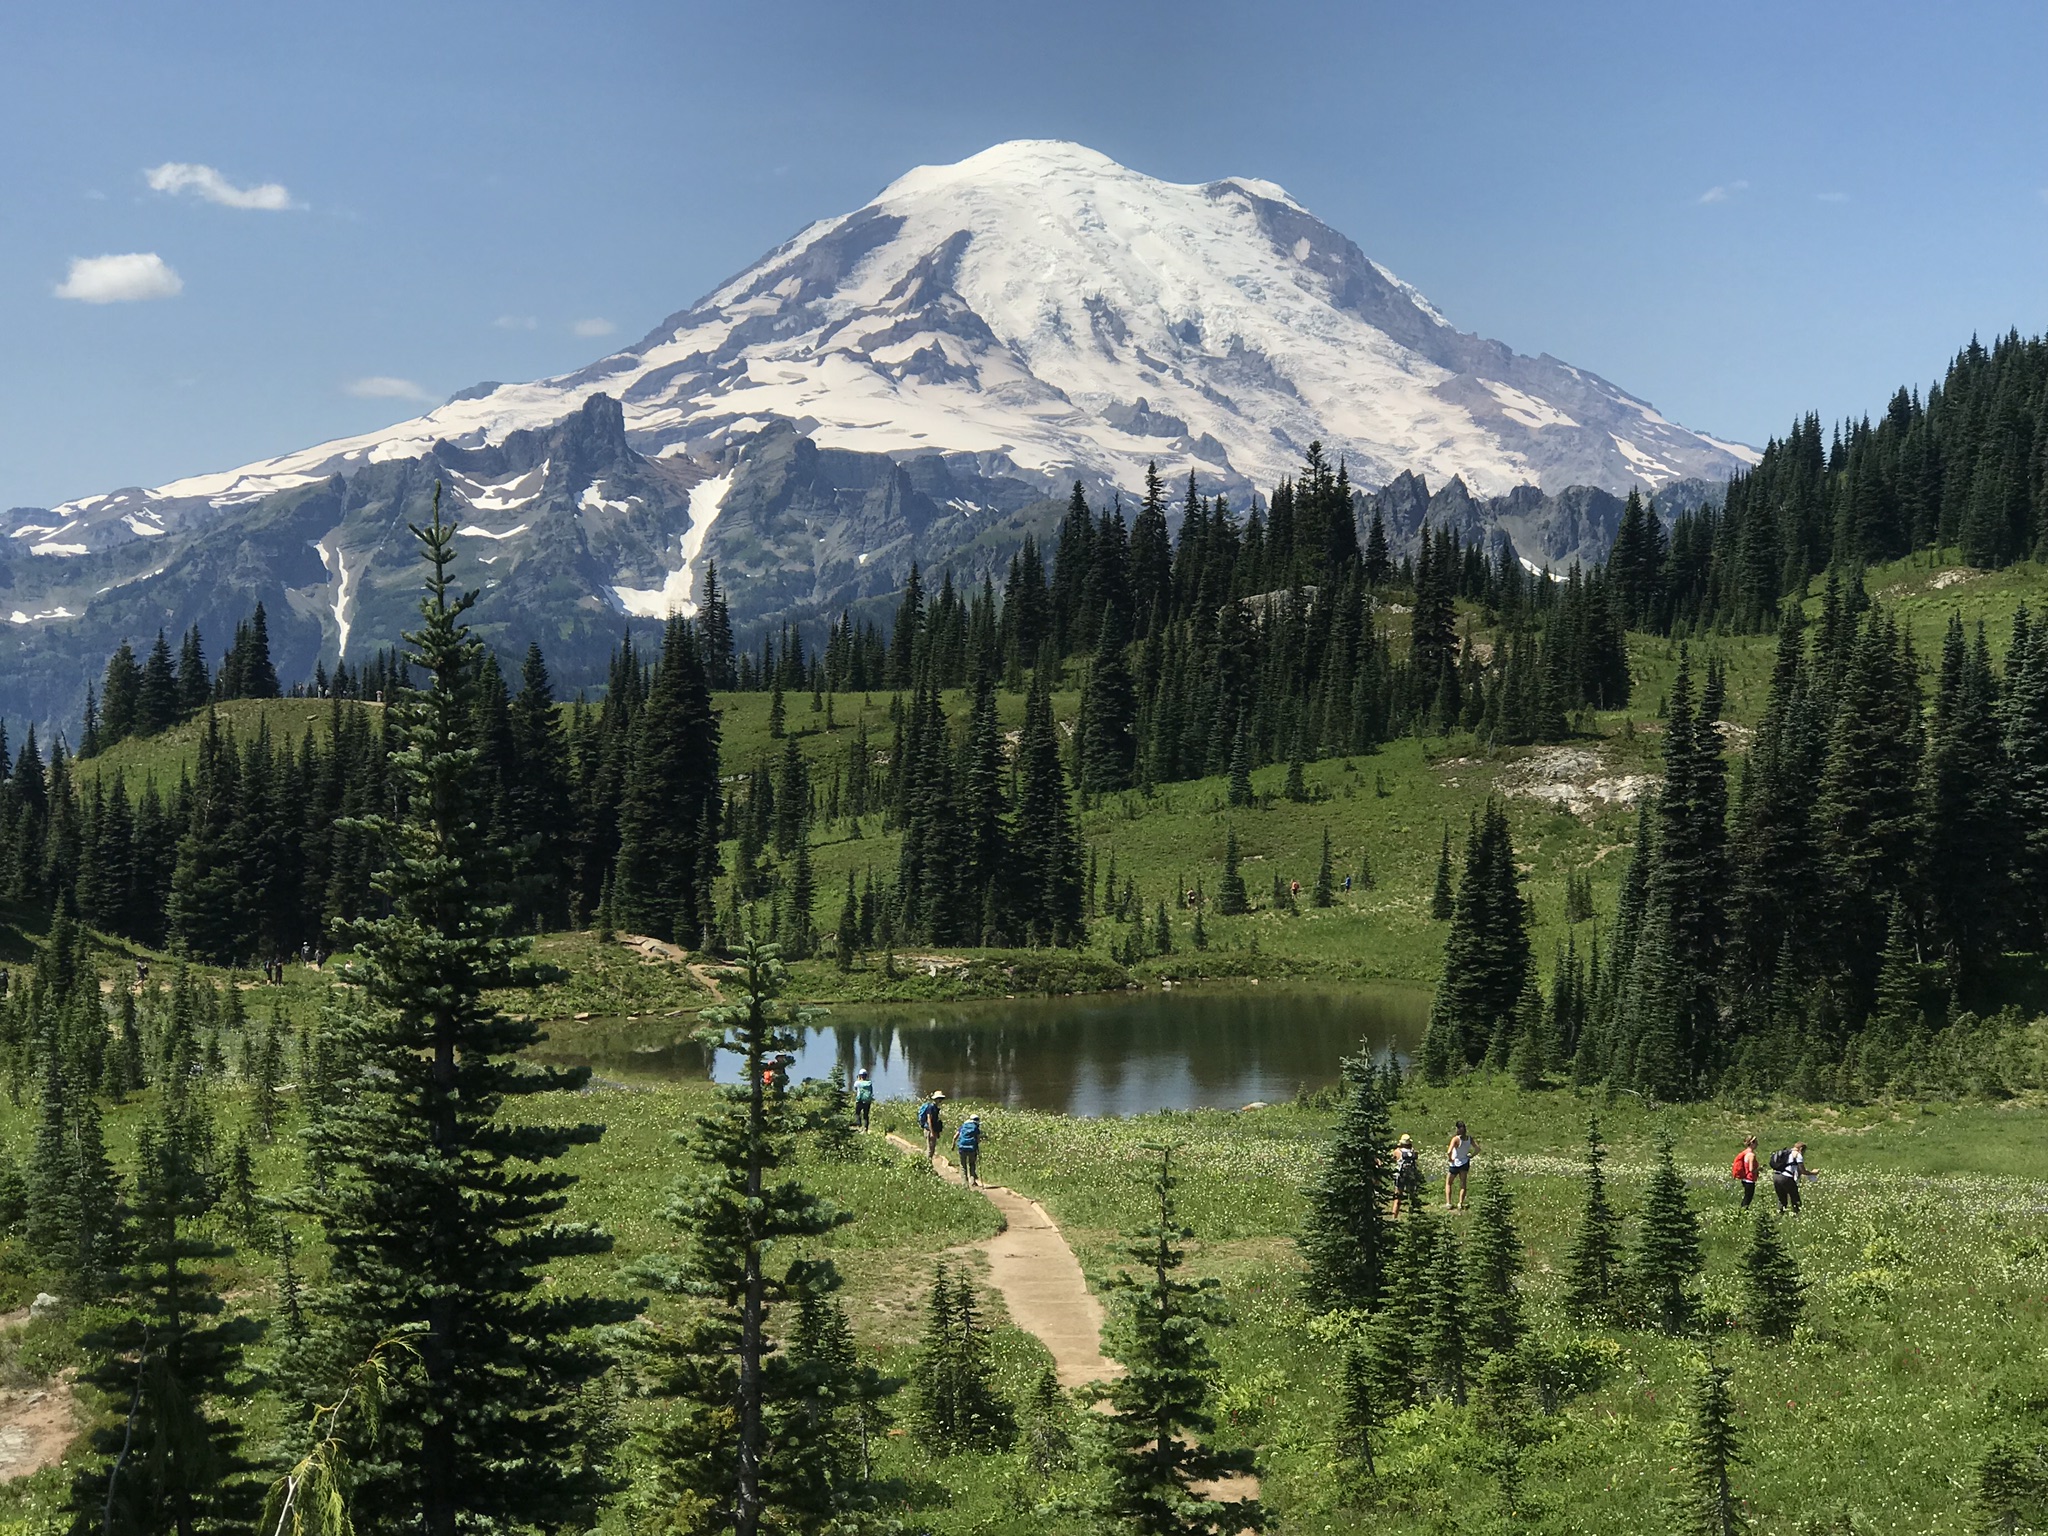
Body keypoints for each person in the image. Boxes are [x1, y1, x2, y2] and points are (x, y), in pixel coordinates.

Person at [1770, 1141, 1816, 1213]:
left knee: (1782, 1199)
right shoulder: (1798, 1155)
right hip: (1786, 1178)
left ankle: (1779, 1216)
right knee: (1795, 1199)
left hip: (1776, 1176)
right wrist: (1812, 1173)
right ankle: (1796, 1216)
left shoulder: (1786, 1153)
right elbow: (1802, 1170)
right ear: (1801, 1149)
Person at [1444, 1121, 1476, 1210]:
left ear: (1457, 1129)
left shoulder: (1456, 1139)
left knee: (1449, 1183)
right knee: (1463, 1184)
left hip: (1455, 1163)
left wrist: (1450, 1159)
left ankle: (1448, 1203)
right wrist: (1472, 1155)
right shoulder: (1469, 1138)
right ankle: (1460, 1203)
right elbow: (1478, 1148)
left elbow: (1449, 1151)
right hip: (1464, 1163)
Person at [1391, 1132, 1421, 1216]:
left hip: (1400, 1176)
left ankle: (1394, 1216)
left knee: (1397, 1197)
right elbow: (1416, 1157)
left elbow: (1392, 1159)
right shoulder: (1413, 1151)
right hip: (1411, 1176)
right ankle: (1411, 1215)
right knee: (1411, 1196)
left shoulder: (1397, 1151)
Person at [917, 1091, 947, 1166]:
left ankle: (927, 1163)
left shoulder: (935, 1108)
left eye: (941, 1099)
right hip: (929, 1130)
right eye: (939, 1098)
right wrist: (932, 1132)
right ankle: (927, 1165)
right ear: (936, 1099)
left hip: (932, 1130)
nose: (940, 1100)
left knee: (931, 1148)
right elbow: (929, 1120)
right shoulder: (931, 1107)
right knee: (930, 1149)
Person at [1731, 1136, 1759, 1209]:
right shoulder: (1751, 1155)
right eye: (1756, 1142)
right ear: (1752, 1143)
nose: (1757, 1144)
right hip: (1749, 1179)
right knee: (1747, 1199)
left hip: (1745, 1178)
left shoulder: (1745, 1152)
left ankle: (1743, 1211)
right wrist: (1759, 1169)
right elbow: (1751, 1169)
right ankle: (1743, 1212)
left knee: (1746, 1197)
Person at [956, 1111, 983, 1187]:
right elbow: (977, 1139)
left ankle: (965, 1183)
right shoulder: (976, 1128)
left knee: (963, 1166)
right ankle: (972, 1181)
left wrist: (953, 1144)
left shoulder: (963, 1126)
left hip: (962, 1148)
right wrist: (977, 1147)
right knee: (972, 1164)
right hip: (972, 1149)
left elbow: (955, 1136)